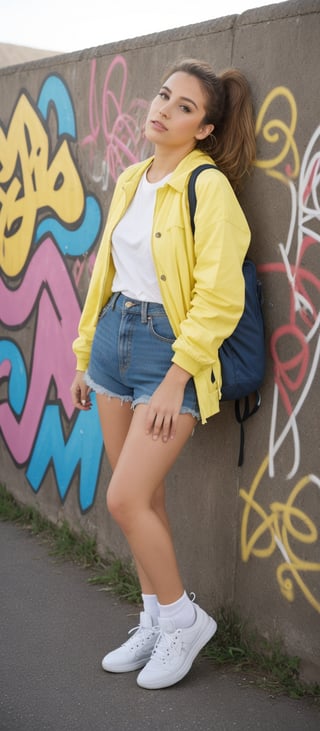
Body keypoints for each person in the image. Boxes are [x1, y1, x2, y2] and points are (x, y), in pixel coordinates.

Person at [70, 58, 256, 690]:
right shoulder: (132, 177)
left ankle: (183, 621)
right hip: (114, 343)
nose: (163, 109)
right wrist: (82, 356)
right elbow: (106, 276)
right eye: (163, 96)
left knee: (123, 498)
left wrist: (178, 377)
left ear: (202, 130)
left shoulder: (210, 189)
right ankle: (153, 619)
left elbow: (220, 296)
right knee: (143, 500)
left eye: (183, 108)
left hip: (166, 353)